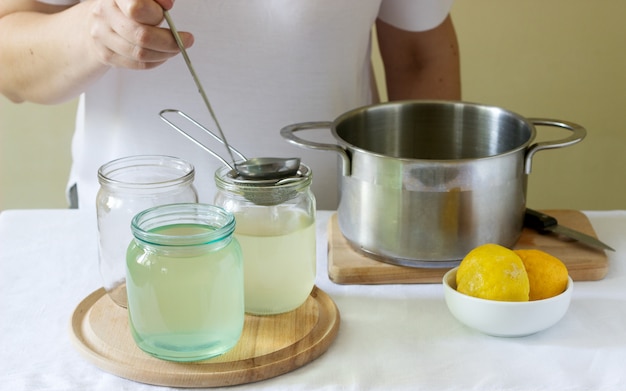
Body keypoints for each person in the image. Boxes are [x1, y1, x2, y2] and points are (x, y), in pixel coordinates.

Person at [0, 0, 460, 210]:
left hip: (332, 225)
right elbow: (10, 63)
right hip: (133, 226)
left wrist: (428, 205)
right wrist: (90, 33)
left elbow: (419, 57)